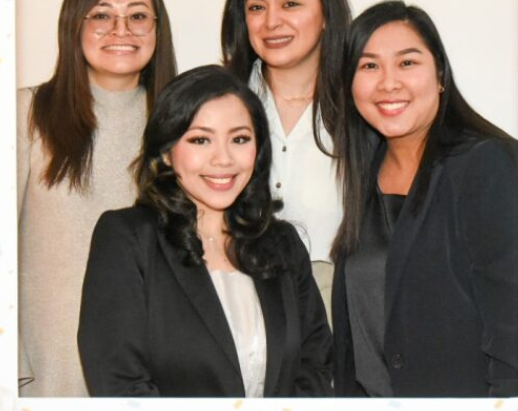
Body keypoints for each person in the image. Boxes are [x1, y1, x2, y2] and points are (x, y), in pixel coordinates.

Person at [78, 65, 331, 397]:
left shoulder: (283, 244)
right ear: (167, 152)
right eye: (201, 140)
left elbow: (314, 366)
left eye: (239, 139)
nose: (223, 159)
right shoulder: (127, 238)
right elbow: (119, 383)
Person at [331, 0, 518, 397]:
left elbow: (517, 329)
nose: (388, 83)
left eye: (407, 63)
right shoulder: (365, 176)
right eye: (368, 66)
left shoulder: (488, 165)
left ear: (439, 76)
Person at [17, 0, 177, 397]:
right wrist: (7, 362)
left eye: (138, 16)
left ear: (157, 30)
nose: (120, 29)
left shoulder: (184, 125)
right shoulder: (28, 115)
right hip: (50, 374)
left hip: (155, 374)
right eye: (102, 15)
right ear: (74, 26)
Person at [220, 0, 351, 311]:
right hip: (233, 305)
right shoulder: (217, 103)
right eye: (256, 7)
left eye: (290, 4)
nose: (271, 21)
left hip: (334, 310)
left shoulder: (364, 108)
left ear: (326, 12)